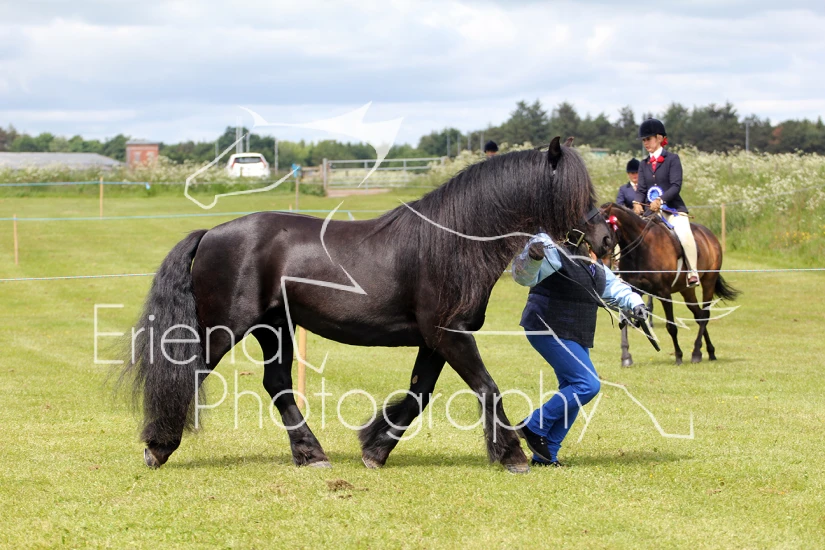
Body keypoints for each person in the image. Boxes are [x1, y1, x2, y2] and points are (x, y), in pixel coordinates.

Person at [512, 233, 646, 466]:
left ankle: (546, 456)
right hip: (547, 326)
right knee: (587, 385)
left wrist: (636, 303)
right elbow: (525, 277)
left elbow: (611, 286)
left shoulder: (591, 260)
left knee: (572, 390)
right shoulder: (550, 244)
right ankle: (533, 425)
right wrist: (533, 257)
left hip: (575, 332)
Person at [632, 118, 700, 287]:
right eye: (643, 140)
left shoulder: (672, 159)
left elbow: (676, 186)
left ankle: (693, 272)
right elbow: (641, 189)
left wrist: (660, 200)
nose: (645, 143)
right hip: (651, 212)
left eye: (648, 139)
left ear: (659, 138)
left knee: (685, 235)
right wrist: (637, 202)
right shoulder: (643, 164)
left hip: (673, 209)